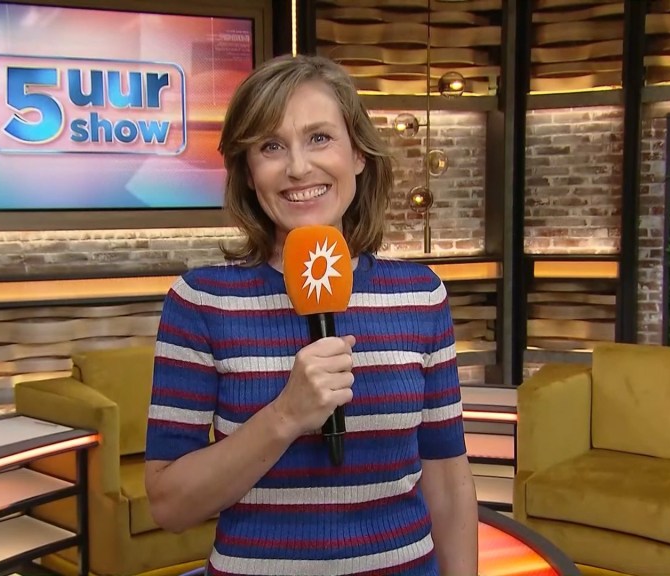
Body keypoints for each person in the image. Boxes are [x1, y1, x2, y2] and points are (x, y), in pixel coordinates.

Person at [144, 54, 479, 576]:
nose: (298, 168)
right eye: (271, 146)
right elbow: (170, 506)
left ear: (358, 154)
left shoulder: (421, 296)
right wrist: (285, 416)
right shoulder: (200, 302)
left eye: (319, 138)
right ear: (249, 173)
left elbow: (447, 480)